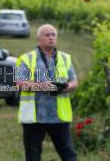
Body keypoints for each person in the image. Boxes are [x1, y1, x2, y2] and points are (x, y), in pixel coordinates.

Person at [16, 24, 78, 161]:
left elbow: (74, 82)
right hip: (34, 117)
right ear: (38, 39)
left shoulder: (65, 58)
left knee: (69, 155)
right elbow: (19, 84)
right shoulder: (26, 58)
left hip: (58, 116)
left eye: (53, 35)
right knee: (33, 156)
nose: (51, 37)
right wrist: (42, 86)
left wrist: (65, 87)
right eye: (47, 35)